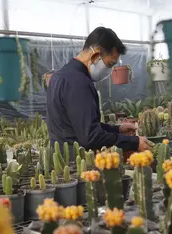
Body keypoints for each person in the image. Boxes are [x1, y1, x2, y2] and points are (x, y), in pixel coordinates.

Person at [46, 26, 152, 154]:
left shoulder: (60, 76)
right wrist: (134, 142)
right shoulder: (79, 83)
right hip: (77, 164)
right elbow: (90, 137)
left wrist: (117, 130)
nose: (109, 71)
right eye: (110, 64)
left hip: (62, 160)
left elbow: (80, 124)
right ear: (96, 55)